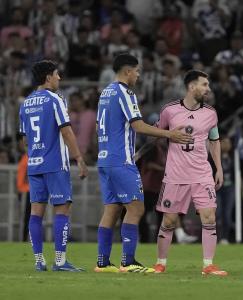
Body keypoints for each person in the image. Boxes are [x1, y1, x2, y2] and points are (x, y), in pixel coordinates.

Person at [94, 53, 193, 273]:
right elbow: (138, 125)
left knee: (111, 210)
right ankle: (128, 262)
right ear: (127, 71)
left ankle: (102, 262)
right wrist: (168, 134)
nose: (138, 75)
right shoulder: (125, 93)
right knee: (136, 209)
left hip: (104, 159)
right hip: (121, 160)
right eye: (137, 71)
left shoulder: (105, 93)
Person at [153, 69, 227, 276]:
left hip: (202, 174)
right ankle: (160, 263)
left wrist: (218, 167)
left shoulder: (210, 113)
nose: (208, 89)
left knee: (209, 217)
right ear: (191, 86)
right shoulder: (169, 111)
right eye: (204, 84)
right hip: (175, 175)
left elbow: (214, 140)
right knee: (168, 221)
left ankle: (208, 265)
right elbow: (157, 133)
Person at [18, 60, 88, 271]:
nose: (60, 78)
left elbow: (25, 139)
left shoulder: (26, 102)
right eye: (57, 74)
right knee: (62, 210)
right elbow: (66, 131)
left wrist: (34, 156)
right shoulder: (55, 99)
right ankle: (60, 261)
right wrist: (79, 158)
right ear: (48, 77)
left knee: (36, 213)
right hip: (56, 164)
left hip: (35, 164)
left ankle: (39, 261)